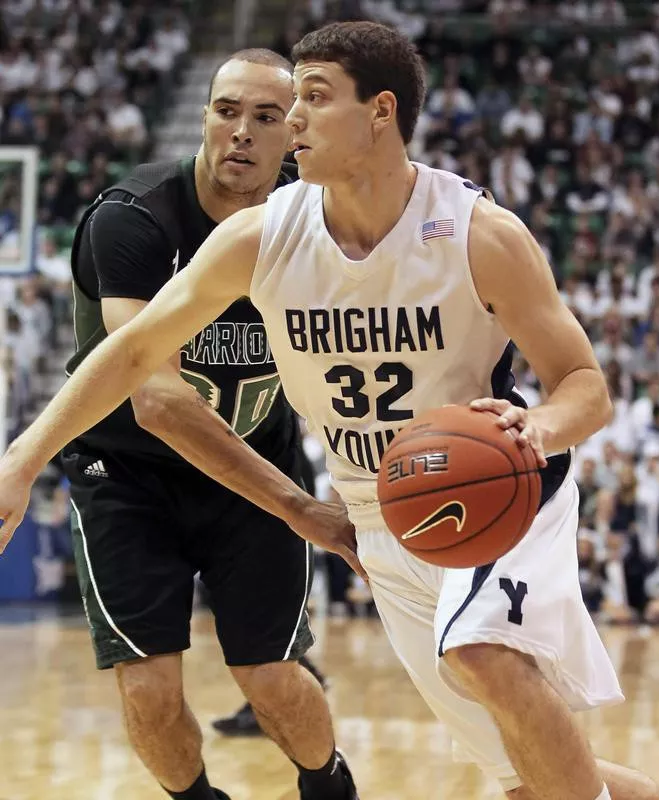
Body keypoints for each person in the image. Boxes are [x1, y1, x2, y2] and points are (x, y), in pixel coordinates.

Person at [0, 22, 659, 800]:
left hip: (496, 481)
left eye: (312, 100)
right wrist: (19, 462)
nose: (292, 121)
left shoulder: (478, 234)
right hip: (381, 508)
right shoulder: (260, 238)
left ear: (380, 111)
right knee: (528, 778)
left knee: (482, 653)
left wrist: (540, 429)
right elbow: (128, 356)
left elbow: (584, 382)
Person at [23, 48, 359, 800]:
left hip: (254, 467)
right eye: (226, 111)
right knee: (146, 688)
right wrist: (302, 508)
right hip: (128, 476)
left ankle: (332, 787)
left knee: (269, 676)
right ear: (205, 117)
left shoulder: (322, 222)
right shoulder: (133, 219)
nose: (241, 131)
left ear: (295, 134)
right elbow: (158, 400)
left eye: (265, 118)